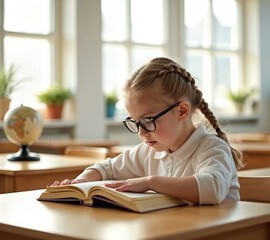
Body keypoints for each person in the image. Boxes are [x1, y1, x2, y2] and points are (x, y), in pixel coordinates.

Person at [52, 57, 244, 204]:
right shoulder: (149, 151)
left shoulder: (212, 148)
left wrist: (150, 182)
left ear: (182, 111)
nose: (141, 133)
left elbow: (211, 189)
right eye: (135, 122)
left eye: (148, 121)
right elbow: (106, 169)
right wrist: (78, 183)